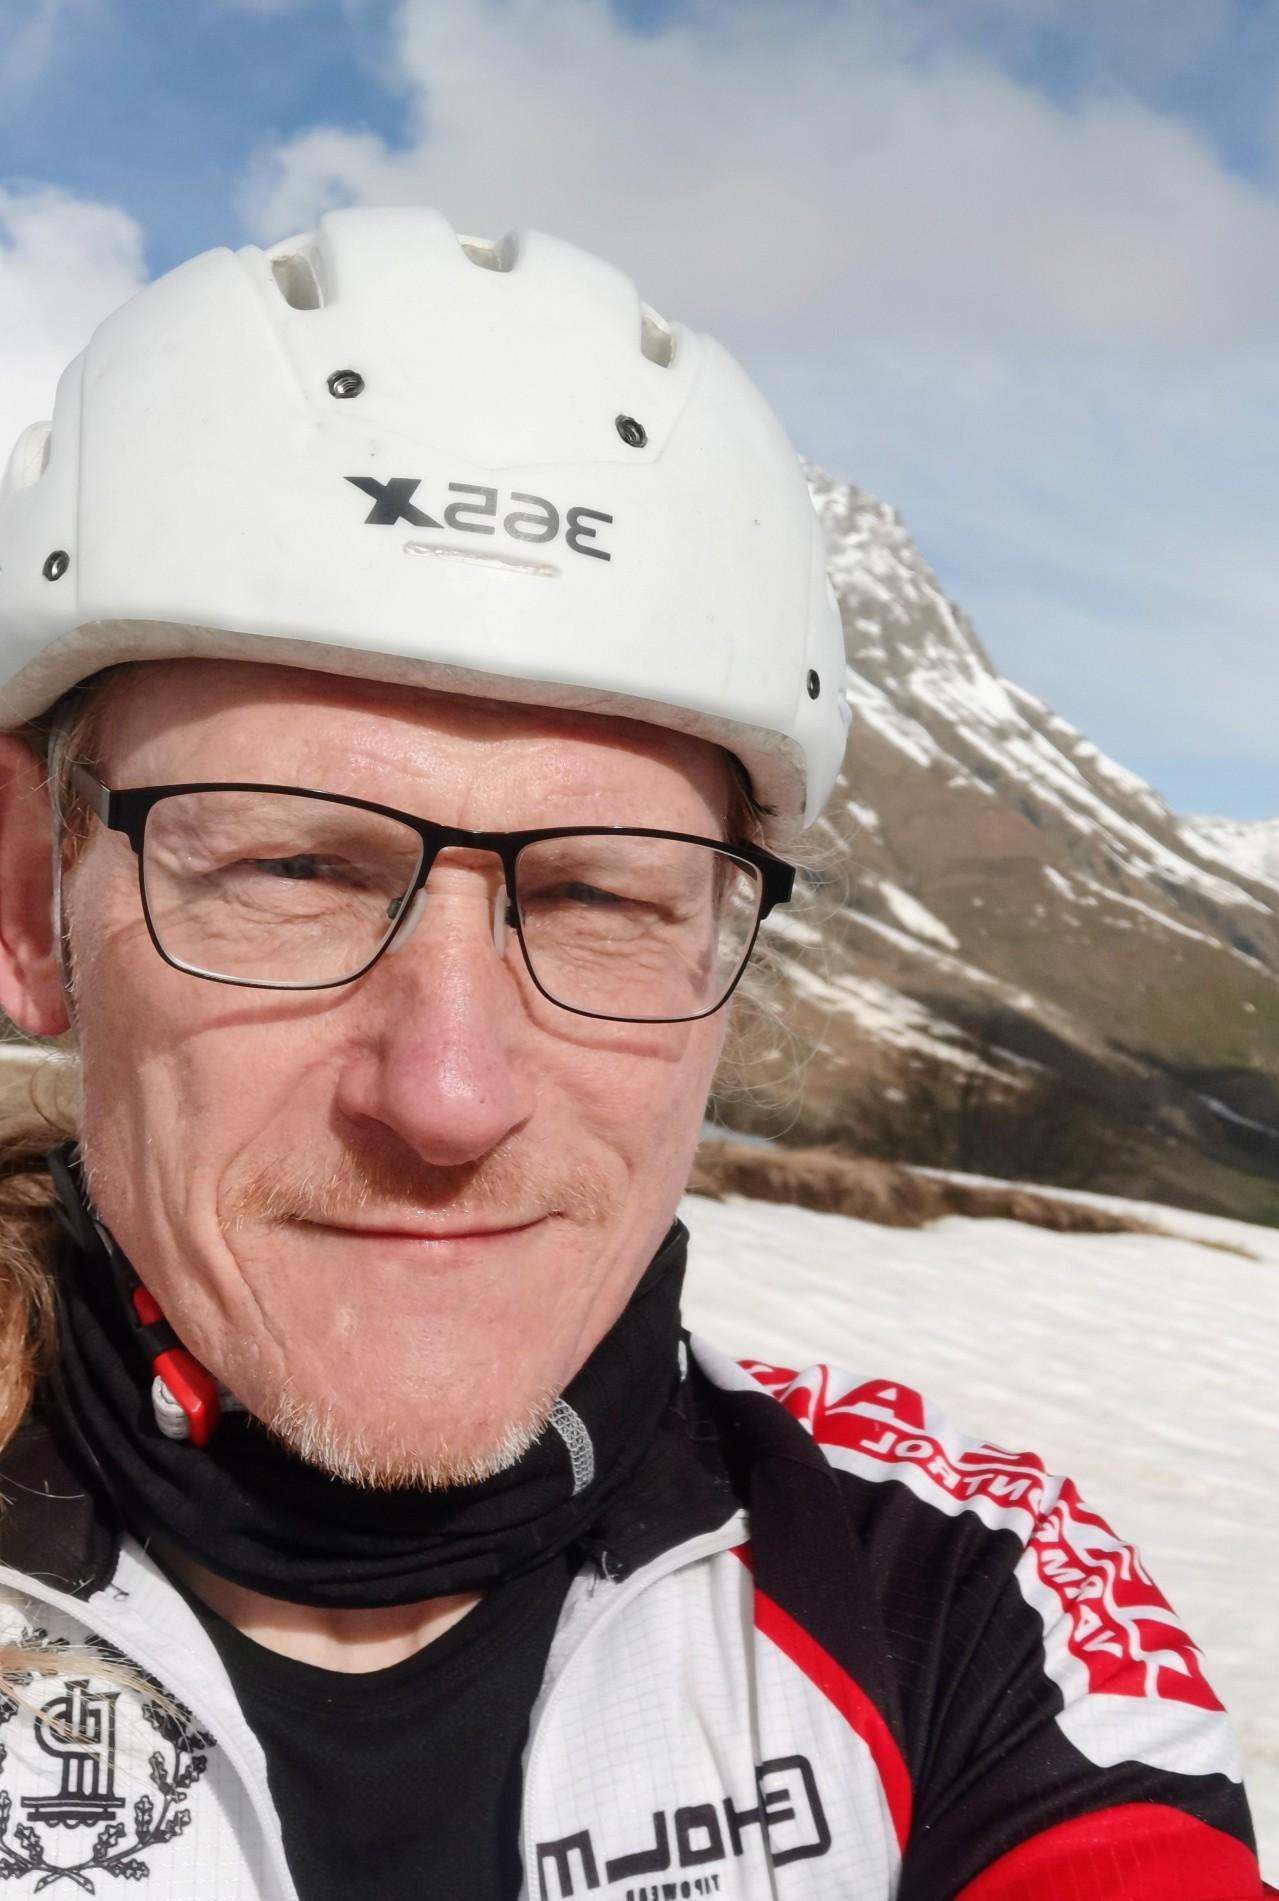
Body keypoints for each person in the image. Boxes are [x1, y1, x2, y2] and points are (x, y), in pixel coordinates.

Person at [0, 206, 1266, 1901]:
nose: (450, 1091)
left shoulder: (952, 1600)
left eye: (601, 894)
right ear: (30, 905)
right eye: (293, 867)